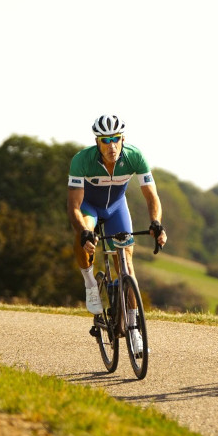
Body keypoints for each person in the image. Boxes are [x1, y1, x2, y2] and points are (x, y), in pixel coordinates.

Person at [68, 114, 167, 358]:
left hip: (116, 208)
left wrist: (156, 222)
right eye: (105, 140)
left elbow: (151, 196)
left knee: (127, 269)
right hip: (90, 207)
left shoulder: (135, 156)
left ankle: (134, 331)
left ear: (122, 139)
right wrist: (84, 232)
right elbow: (74, 206)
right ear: (97, 141)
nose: (111, 145)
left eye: (115, 139)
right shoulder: (82, 160)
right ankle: (91, 284)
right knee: (84, 235)